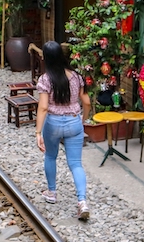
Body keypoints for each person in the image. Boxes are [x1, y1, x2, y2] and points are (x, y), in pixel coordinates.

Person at [35, 41, 92, 221]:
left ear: (46, 58)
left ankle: (52, 192)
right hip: (74, 122)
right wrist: (83, 120)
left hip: (53, 123)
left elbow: (43, 108)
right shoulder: (76, 77)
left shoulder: (45, 80)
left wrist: (38, 132)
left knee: (51, 156)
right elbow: (87, 102)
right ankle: (82, 202)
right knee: (76, 163)